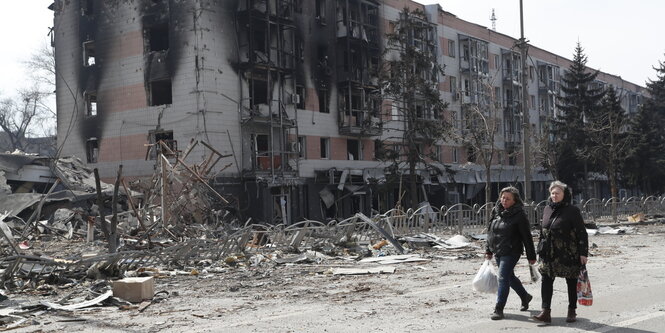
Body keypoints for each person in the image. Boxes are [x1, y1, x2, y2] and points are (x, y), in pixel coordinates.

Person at [533, 181, 589, 324]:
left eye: (557, 193)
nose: (554, 195)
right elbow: (543, 231)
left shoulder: (572, 211)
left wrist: (583, 253)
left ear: (565, 195)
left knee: (571, 281)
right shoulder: (546, 209)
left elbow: (582, 233)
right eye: (552, 193)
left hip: (568, 253)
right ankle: (545, 311)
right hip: (548, 254)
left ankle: (572, 310)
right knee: (546, 280)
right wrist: (539, 249)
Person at [485, 186, 537, 320]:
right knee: (509, 277)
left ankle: (499, 308)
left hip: (512, 251)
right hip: (498, 250)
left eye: (508, 198)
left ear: (515, 200)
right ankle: (525, 296)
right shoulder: (496, 211)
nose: (504, 200)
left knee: (502, 277)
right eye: (502, 197)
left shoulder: (519, 215)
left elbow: (527, 237)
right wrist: (488, 249)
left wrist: (531, 256)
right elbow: (491, 231)